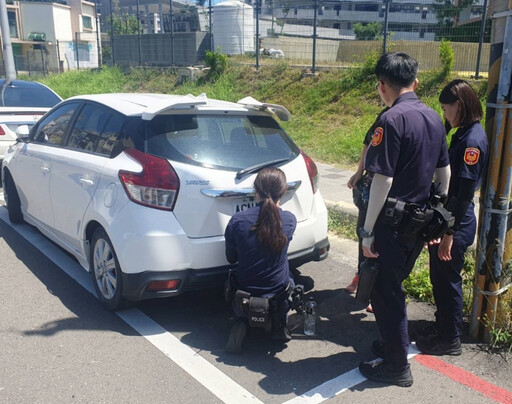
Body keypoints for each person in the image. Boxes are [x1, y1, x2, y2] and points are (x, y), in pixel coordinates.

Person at [358, 52, 451, 387]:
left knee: (386, 292)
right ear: (415, 80)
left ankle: (397, 367)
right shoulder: (434, 118)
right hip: (418, 222)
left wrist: (368, 230)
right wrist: (434, 210)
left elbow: (382, 180)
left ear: (383, 85)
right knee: (392, 285)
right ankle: (393, 344)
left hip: (392, 223)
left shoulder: (391, 119)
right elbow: (444, 173)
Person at [416, 79, 489, 355]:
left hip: (456, 223)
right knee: (439, 278)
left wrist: (448, 233)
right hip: (449, 219)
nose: (445, 114)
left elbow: (464, 193)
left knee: (448, 281)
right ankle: (442, 325)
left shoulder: (472, 141)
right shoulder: (463, 133)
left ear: (459, 105)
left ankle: (451, 339)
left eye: (446, 109)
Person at [224, 167, 297, 354]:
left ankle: (242, 322)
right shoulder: (289, 220)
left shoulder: (237, 221)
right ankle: (279, 322)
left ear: (255, 190)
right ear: (283, 191)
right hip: (278, 294)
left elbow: (231, 258)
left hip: (244, 293)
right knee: (288, 271)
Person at [346, 107, 389, 315]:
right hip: (369, 188)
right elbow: (367, 145)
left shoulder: (399, 121)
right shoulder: (383, 116)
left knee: (378, 239)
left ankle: (374, 289)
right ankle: (362, 277)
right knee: (362, 233)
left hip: (388, 193)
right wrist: (358, 172)